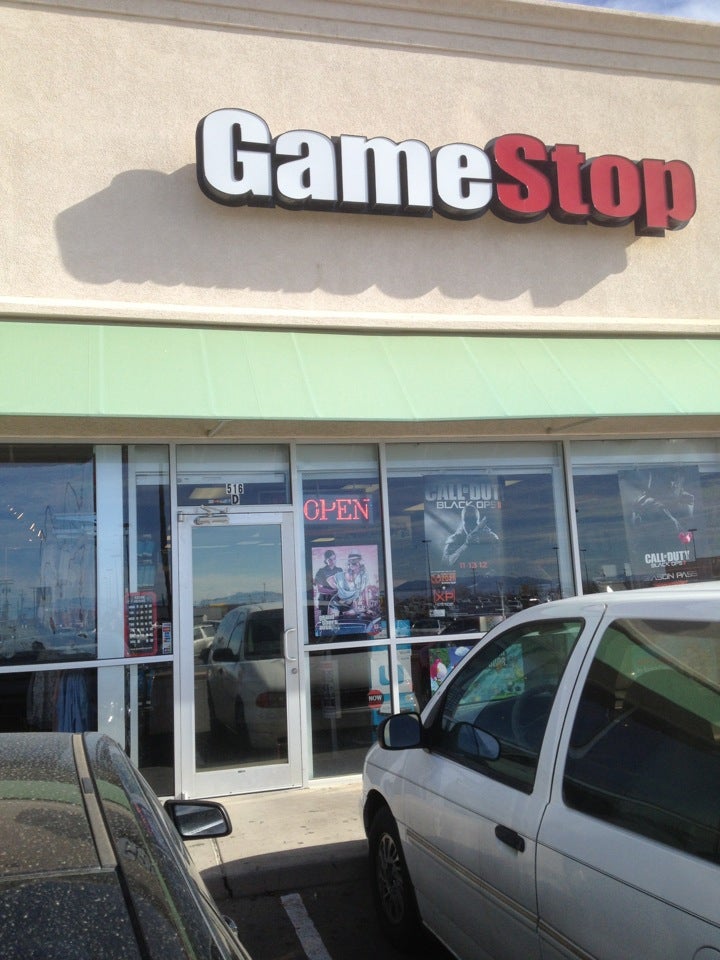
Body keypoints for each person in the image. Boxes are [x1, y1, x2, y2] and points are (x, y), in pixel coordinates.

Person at [314, 549, 341, 615]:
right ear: (325, 560)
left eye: (334, 559)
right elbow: (319, 589)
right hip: (325, 600)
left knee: (339, 619)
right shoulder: (321, 571)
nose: (333, 561)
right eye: (330, 559)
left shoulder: (339, 570)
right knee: (326, 620)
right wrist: (332, 591)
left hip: (337, 601)